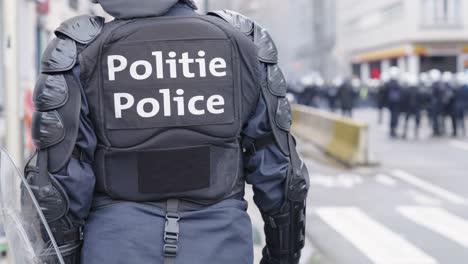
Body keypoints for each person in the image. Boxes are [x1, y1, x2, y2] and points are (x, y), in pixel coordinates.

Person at [25, 1, 309, 264]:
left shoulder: (80, 51)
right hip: (221, 246)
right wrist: (281, 257)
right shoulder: (244, 43)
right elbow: (283, 178)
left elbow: (57, 186)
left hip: (116, 247)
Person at [401, 74, 423, 139]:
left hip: (412, 108)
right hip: (414, 108)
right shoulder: (418, 90)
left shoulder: (407, 90)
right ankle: (413, 132)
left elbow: (403, 100)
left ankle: (407, 132)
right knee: (412, 120)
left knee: (408, 120)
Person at [385, 67, 403, 138]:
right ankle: (393, 130)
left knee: (392, 117)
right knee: (394, 117)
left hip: (392, 103)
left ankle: (392, 130)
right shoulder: (397, 84)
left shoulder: (388, 84)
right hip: (395, 104)